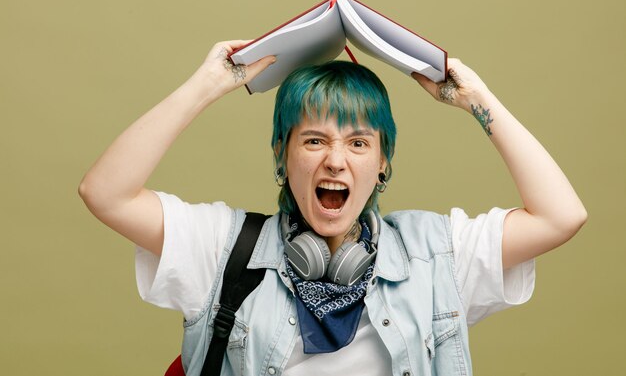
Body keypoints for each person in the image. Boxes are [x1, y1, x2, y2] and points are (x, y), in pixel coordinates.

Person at [79, 40, 587, 376]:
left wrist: (475, 96)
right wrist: (209, 85)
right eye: (315, 140)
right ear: (282, 153)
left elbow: (560, 216)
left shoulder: (438, 256)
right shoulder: (223, 249)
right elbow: (106, 193)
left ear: (382, 160)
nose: (336, 162)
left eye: (359, 143)